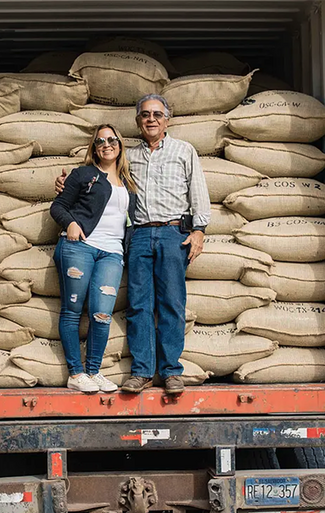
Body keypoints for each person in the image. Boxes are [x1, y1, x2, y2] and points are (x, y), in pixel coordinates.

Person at [56, 95, 210, 395]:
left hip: (172, 232)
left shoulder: (183, 151)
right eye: (145, 115)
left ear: (168, 119)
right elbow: (97, 176)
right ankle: (141, 371)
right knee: (139, 305)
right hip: (138, 235)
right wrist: (66, 185)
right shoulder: (129, 157)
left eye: (157, 114)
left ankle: (171, 372)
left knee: (172, 304)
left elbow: (198, 191)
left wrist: (199, 229)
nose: (151, 119)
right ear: (138, 120)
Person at [50, 124, 136, 393]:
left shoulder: (129, 184)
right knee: (72, 310)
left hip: (112, 252)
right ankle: (76, 374)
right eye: (100, 141)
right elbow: (59, 206)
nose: (106, 144)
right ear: (94, 148)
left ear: (120, 145)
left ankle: (94, 371)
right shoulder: (84, 174)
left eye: (112, 139)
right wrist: (71, 224)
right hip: (80, 247)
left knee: (102, 314)